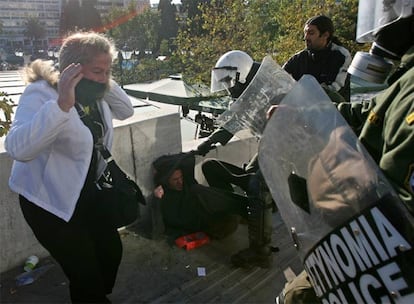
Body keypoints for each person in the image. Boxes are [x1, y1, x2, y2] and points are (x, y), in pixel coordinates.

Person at [277, 1, 414, 302]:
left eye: (390, 11)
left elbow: (400, 206)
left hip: (389, 253)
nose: (379, 26)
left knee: (297, 297)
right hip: (372, 232)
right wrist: (301, 113)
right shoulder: (405, 81)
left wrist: (343, 193)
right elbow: (367, 112)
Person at [5, 32, 134, 303]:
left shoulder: (95, 95)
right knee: (84, 274)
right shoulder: (40, 94)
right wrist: (61, 105)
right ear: (71, 69)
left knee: (111, 252)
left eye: (108, 70)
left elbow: (126, 111)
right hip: (48, 202)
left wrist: (103, 80)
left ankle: (95, 295)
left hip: (87, 194)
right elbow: (18, 148)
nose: (103, 77)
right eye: (97, 70)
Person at [197, 50, 275, 269]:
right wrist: (210, 142)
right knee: (214, 167)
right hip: (269, 146)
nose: (228, 86)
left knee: (258, 186)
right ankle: (236, 216)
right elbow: (237, 118)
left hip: (287, 149)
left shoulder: (267, 90)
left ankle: (261, 251)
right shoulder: (252, 88)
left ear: (241, 75)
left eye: (229, 81)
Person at [151, 152, 248, 241]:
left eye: (181, 177)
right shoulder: (164, 199)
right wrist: (157, 200)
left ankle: (251, 183)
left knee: (209, 164)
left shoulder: (186, 183)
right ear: (166, 181)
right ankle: (248, 208)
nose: (180, 182)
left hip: (219, 206)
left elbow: (188, 160)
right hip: (214, 225)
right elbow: (158, 230)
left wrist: (197, 150)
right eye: (175, 180)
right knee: (197, 190)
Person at [282, 15, 352, 102]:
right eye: (305, 33)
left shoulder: (341, 55)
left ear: (325, 35)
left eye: (311, 33)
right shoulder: (299, 57)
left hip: (334, 110)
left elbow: (335, 88)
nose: (306, 38)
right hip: (302, 108)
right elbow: (280, 76)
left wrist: (303, 94)